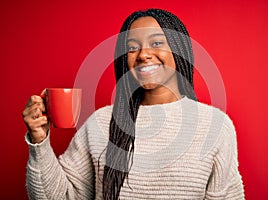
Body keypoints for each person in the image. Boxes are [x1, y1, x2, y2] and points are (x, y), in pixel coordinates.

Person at [22, 8, 245, 199]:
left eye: (157, 42)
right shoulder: (101, 122)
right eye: (131, 47)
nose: (143, 54)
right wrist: (39, 142)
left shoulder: (216, 125)